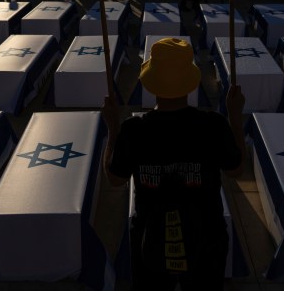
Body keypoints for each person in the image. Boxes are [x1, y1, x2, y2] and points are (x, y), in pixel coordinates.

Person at [102, 37, 245, 290]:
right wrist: (235, 117)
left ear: (151, 82)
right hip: (207, 236)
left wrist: (112, 129)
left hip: (150, 236)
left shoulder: (134, 130)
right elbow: (236, 170)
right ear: (190, 83)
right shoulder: (213, 125)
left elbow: (115, 178)